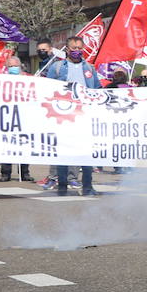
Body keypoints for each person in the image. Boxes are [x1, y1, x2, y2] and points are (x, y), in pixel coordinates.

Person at [40, 36, 102, 197]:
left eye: (80, 48)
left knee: (85, 152)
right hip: (63, 116)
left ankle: (87, 185)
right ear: (67, 49)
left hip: (84, 117)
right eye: (74, 48)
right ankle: (61, 184)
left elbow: (97, 90)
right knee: (62, 151)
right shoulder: (57, 67)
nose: (77, 51)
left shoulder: (90, 68)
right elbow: (48, 89)